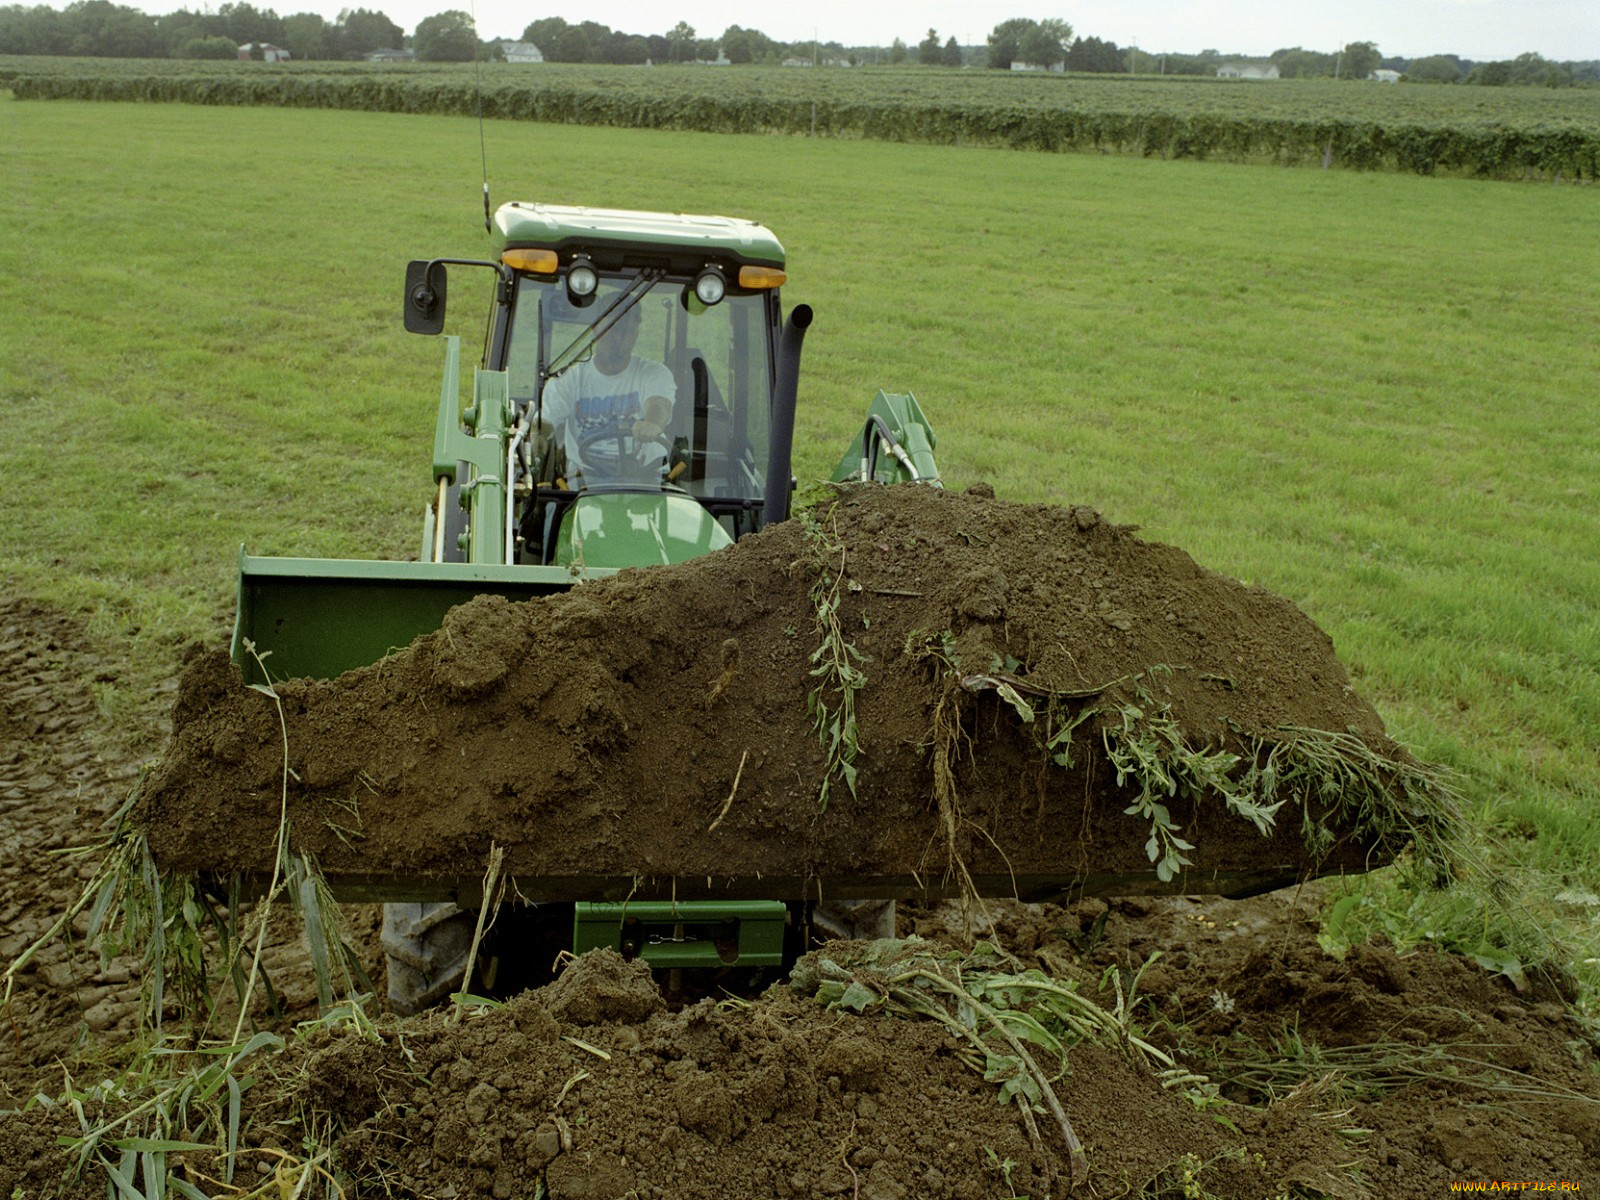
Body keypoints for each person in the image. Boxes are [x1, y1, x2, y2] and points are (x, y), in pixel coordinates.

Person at [539, 302, 676, 487]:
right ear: (596, 329)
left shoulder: (653, 373)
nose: (618, 338)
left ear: (635, 334)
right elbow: (546, 420)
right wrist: (537, 435)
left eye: (626, 331)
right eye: (612, 329)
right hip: (586, 479)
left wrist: (652, 424)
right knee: (548, 512)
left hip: (646, 477)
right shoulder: (570, 378)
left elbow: (659, 405)